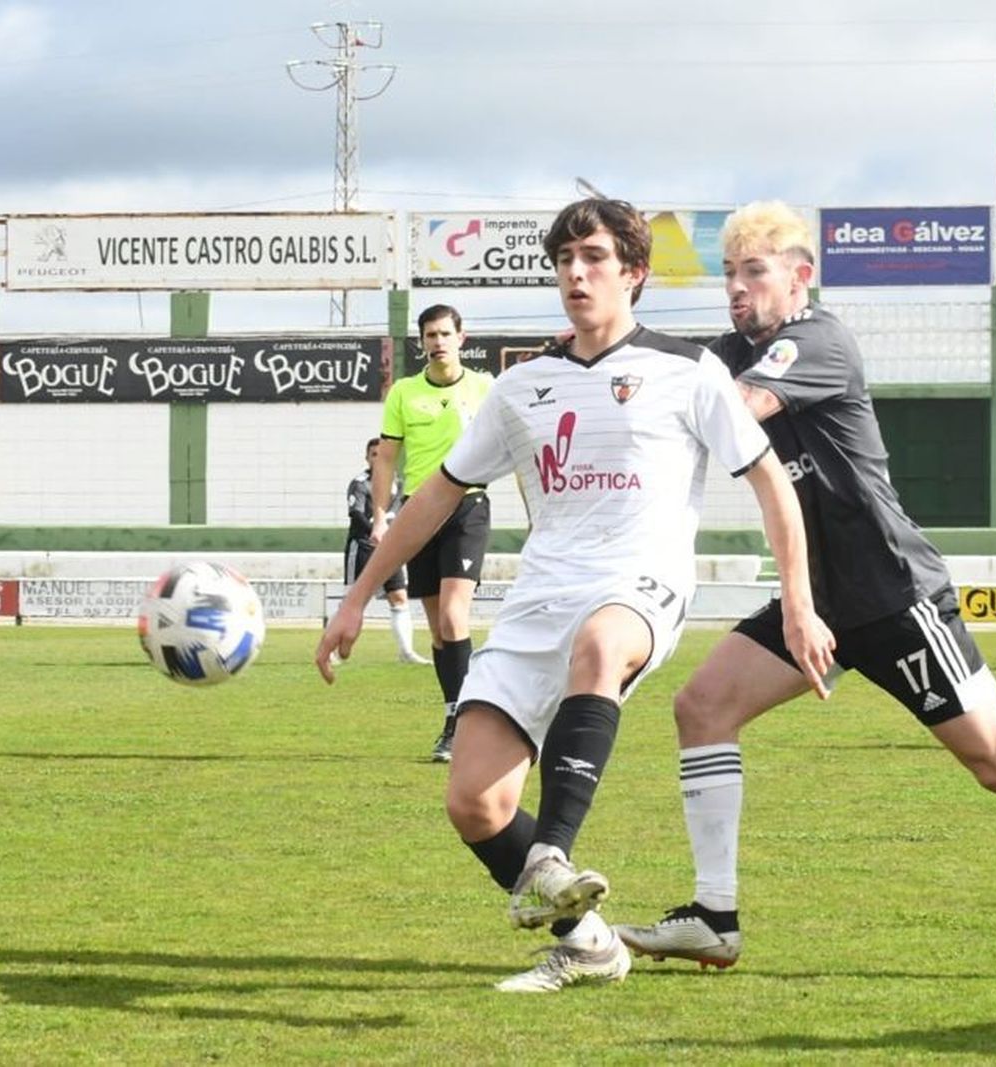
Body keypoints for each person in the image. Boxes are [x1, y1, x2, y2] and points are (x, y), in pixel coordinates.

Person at [614, 200, 996, 974]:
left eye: (755, 272)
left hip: (893, 594)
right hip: (822, 600)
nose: (737, 288)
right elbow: (677, 377)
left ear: (800, 276)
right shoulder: (732, 351)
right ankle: (715, 914)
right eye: (730, 274)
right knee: (702, 705)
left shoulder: (817, 342)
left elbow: (734, 410)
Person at [315, 197, 835, 994]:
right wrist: (357, 595)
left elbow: (770, 480)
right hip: (538, 601)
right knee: (474, 802)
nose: (576, 274)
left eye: (593, 258)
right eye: (564, 261)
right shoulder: (524, 387)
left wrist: (796, 600)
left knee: (602, 643)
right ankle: (588, 941)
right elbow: (438, 493)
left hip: (639, 585)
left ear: (633, 273)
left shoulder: (686, 370)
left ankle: (552, 853)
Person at [374, 304, 494, 762]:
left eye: (445, 333)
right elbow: (386, 457)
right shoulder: (403, 392)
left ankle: (467, 724)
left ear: (462, 338)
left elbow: (517, 442)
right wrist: (382, 515)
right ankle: (453, 716)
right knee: (440, 633)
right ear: (421, 342)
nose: (438, 341)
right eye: (430, 335)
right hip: (417, 513)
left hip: (468, 505)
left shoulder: (484, 387)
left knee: (452, 616)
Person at [345, 438, 430, 666]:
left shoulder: (399, 484)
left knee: (399, 597)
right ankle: (336, 649)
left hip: (389, 547)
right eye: (372, 454)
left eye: (379, 454)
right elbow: (355, 514)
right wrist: (375, 531)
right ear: (367, 458)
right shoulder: (359, 483)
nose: (376, 458)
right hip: (363, 546)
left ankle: (406, 652)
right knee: (354, 598)